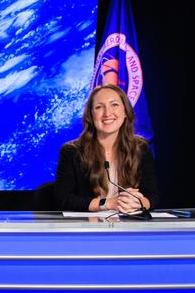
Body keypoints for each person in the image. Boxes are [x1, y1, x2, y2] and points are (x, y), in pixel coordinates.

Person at [55, 84, 157, 213]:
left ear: (125, 111)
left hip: (129, 227)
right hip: (88, 228)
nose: (107, 113)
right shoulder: (71, 152)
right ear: (91, 116)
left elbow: (152, 196)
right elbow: (64, 200)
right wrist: (108, 203)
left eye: (114, 105)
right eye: (99, 107)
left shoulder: (141, 148)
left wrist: (138, 202)